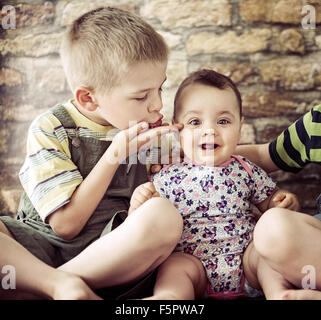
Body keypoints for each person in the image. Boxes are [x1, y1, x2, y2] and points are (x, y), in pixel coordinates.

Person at [0, 7, 184, 300]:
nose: (158, 106)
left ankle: (52, 288)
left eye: (160, 89)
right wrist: (115, 155)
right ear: (88, 99)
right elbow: (66, 226)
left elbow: (199, 166)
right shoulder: (51, 128)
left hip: (111, 260)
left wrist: (266, 154)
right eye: (141, 96)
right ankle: (57, 286)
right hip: (36, 252)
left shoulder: (150, 133)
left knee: (165, 217)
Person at [129, 69, 321, 300]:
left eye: (223, 121)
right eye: (195, 122)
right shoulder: (166, 175)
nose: (210, 130)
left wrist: (283, 201)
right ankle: (170, 298)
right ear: (177, 129)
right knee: (175, 268)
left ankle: (280, 294)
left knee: (265, 260)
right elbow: (147, 222)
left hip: (246, 262)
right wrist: (140, 200)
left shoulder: (246, 169)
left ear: (239, 127)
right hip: (195, 263)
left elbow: (270, 200)